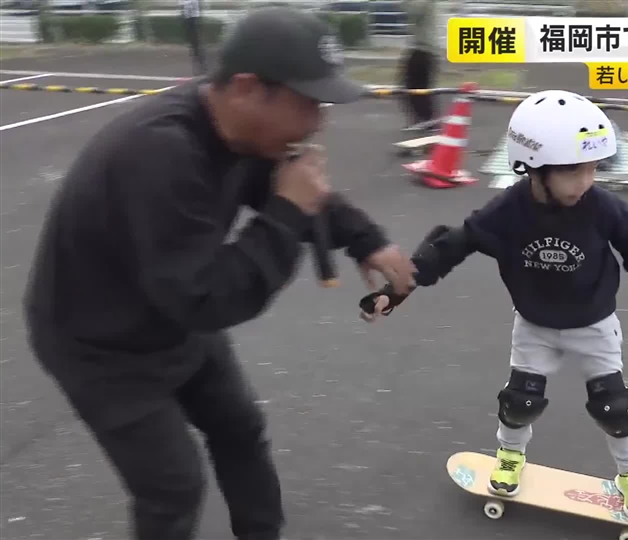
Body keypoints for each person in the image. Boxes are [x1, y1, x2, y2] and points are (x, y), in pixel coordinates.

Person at [22, 7, 416, 540]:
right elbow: (208, 297)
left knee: (240, 429)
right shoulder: (160, 151)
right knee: (172, 485)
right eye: (308, 103)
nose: (318, 121)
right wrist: (288, 212)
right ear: (249, 89)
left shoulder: (243, 136)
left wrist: (364, 239)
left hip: (170, 316)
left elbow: (285, 188)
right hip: (99, 343)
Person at [358, 90, 628, 522]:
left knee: (613, 406)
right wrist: (398, 290)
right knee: (520, 401)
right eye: (574, 171)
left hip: (593, 324)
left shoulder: (601, 207)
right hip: (535, 323)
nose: (586, 181)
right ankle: (509, 457)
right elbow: (454, 244)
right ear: (534, 167)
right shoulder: (510, 210)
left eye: (594, 169)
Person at [399, 0, 438, 131]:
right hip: (423, 48)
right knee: (417, 86)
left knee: (415, 86)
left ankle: (427, 121)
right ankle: (425, 120)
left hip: (424, 49)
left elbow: (413, 10)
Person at [179, 0, 206, 75]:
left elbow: (199, 6)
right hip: (188, 20)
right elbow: (182, 8)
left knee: (198, 43)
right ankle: (198, 64)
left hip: (195, 19)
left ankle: (202, 65)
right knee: (193, 44)